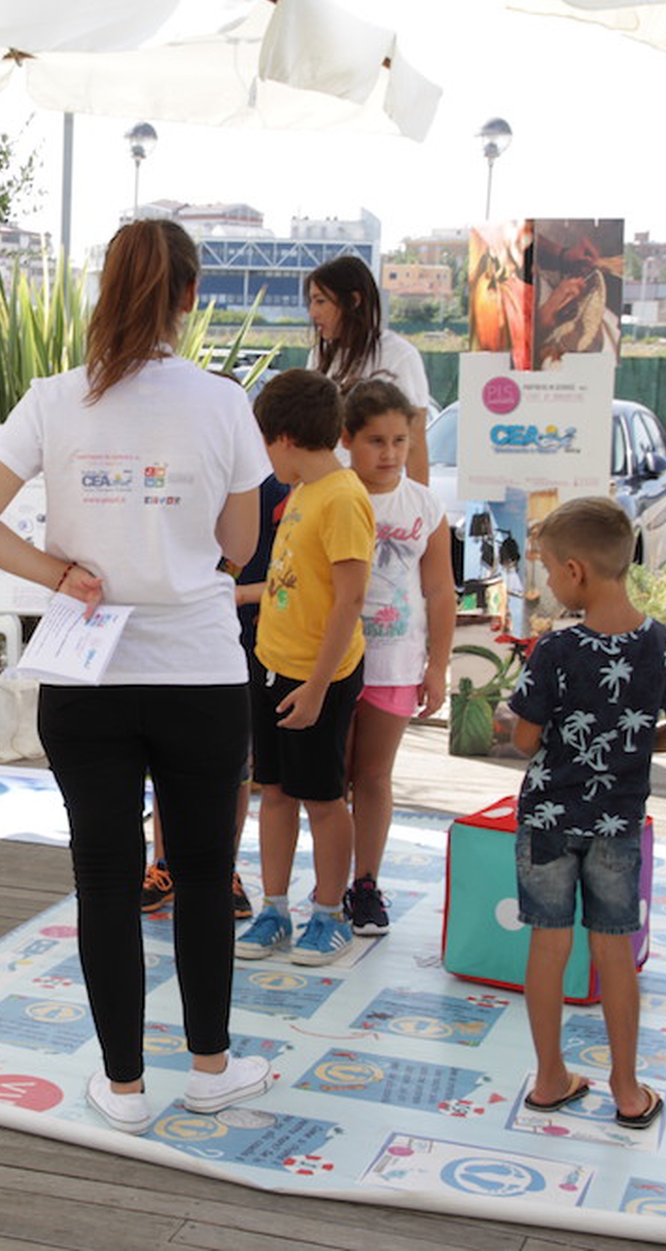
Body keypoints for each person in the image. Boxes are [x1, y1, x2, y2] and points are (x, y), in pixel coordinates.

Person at [0, 218, 273, 1135]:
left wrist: (63, 571)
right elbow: (239, 547)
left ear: (104, 290)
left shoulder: (53, 400)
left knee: (104, 876)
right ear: (189, 297)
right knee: (205, 873)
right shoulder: (223, 402)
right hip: (201, 670)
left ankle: (123, 1087)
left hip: (86, 675)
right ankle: (210, 1067)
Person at [508, 496, 666, 1129]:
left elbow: (525, 740)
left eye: (549, 570)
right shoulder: (662, 644)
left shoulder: (556, 651)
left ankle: (550, 1078)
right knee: (615, 950)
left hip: (547, 822)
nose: (548, 582)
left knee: (548, 945)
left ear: (576, 572)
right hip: (619, 822)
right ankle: (627, 1088)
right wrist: (633, 746)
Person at [238, 370, 372, 967]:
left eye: (264, 443)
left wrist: (318, 688)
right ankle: (274, 910)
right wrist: (240, 597)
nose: (264, 457)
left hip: (319, 677)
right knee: (274, 792)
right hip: (272, 664)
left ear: (285, 438)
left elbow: (349, 600)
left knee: (322, 799)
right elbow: (294, 581)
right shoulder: (301, 493)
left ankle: (329, 912)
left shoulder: (343, 497)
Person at [142, 465, 289, 924]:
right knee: (166, 754)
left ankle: (224, 866)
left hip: (246, 642)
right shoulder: (173, 474)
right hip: (174, 634)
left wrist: (239, 594)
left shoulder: (277, 488)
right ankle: (163, 864)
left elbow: (296, 576)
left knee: (235, 764)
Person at [340, 379, 455, 935]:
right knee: (328, 782)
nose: (388, 454)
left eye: (399, 441)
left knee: (374, 778)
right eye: (375, 441)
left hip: (395, 665)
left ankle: (365, 884)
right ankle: (325, 887)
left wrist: (437, 664)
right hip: (333, 665)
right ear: (347, 439)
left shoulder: (425, 505)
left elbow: (440, 590)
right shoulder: (333, 495)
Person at [306, 254, 433, 485]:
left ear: (354, 300)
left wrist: (421, 509)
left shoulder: (400, 355)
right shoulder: (317, 357)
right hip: (329, 493)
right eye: (311, 302)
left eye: (320, 301)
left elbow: (415, 441)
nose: (313, 313)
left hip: (380, 501)